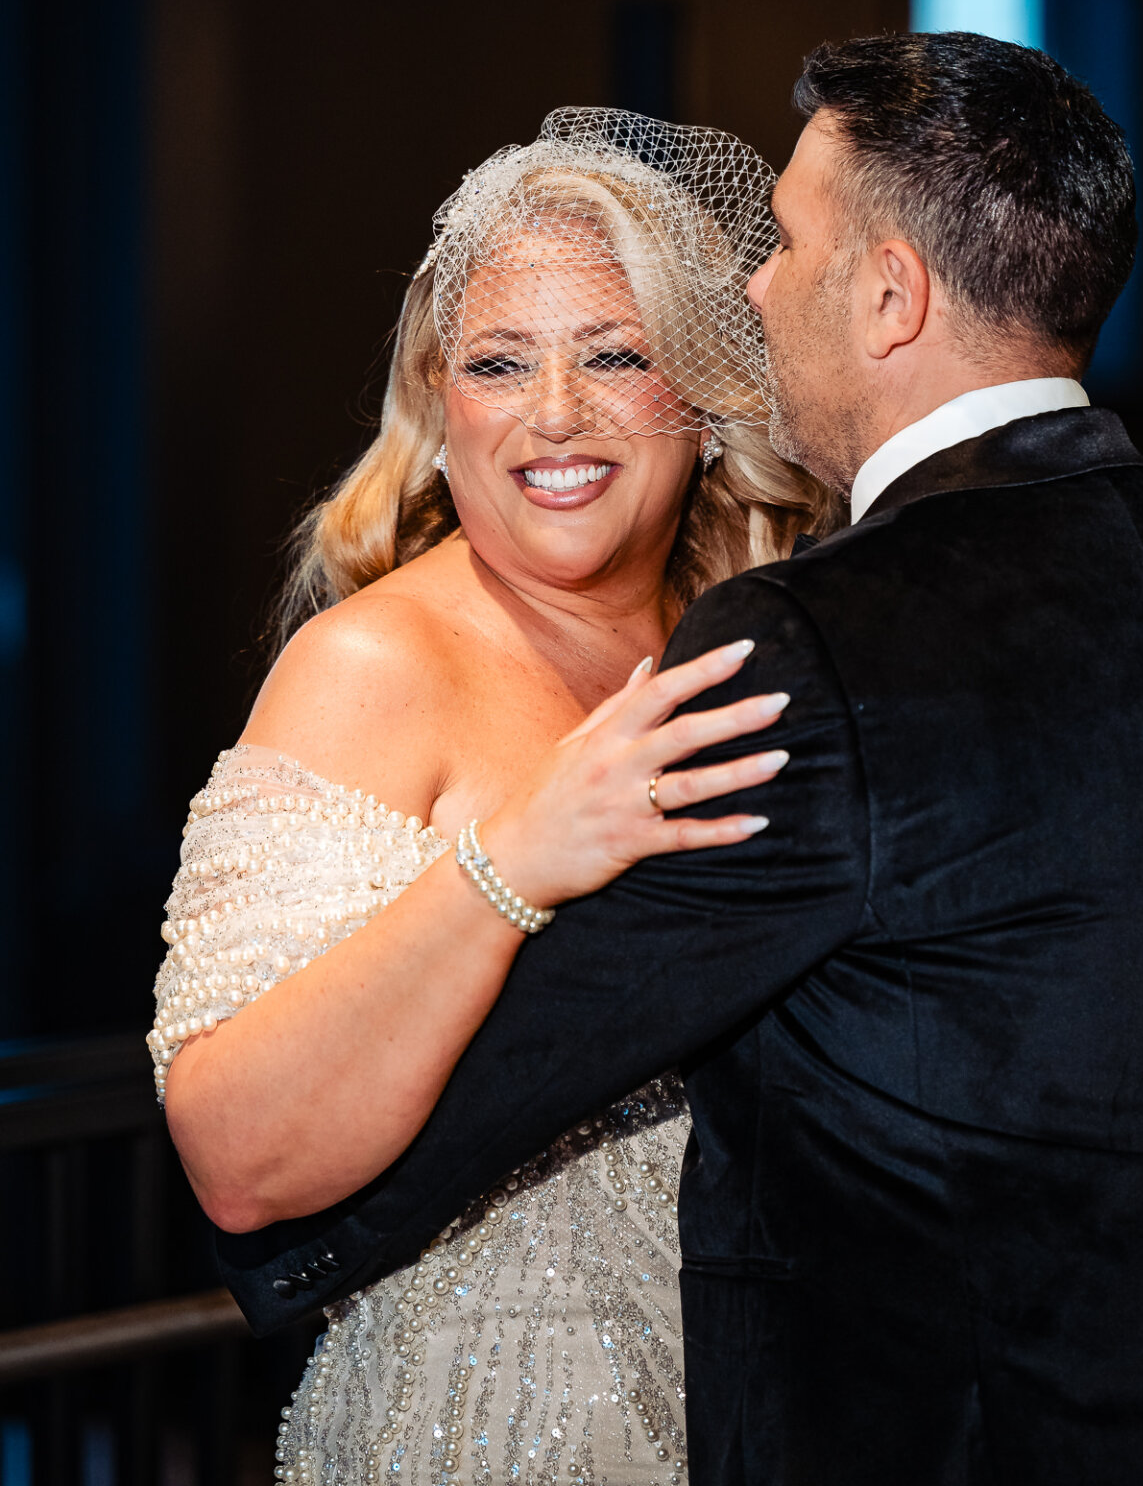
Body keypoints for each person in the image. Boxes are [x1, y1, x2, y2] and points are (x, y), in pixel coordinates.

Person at [221, 34, 1143, 1485]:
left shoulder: (820, 634)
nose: (756, 289)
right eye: (498, 362)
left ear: (892, 292)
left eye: (780, 247)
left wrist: (287, 1248)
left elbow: (543, 1048)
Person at [152, 108, 837, 1483]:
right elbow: (238, 1154)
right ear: (438, 403)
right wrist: (513, 856)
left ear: (701, 404)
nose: (555, 416)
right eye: (500, 363)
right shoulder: (372, 665)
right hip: (493, 1425)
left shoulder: (742, 641)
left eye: (614, 356)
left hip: (755, 1405)